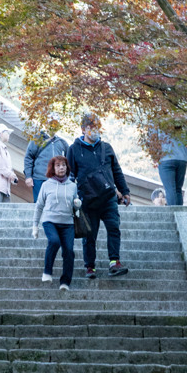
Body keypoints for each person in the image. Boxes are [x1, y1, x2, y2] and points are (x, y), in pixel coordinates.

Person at [68, 113, 131, 279]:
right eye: (90, 127)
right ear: (83, 129)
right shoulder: (74, 149)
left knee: (113, 228)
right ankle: (90, 266)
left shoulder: (106, 148)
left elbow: (117, 171)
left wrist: (124, 191)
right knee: (89, 234)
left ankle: (114, 262)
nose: (94, 130)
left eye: (96, 127)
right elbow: (69, 174)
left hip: (109, 197)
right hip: (87, 199)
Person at [31, 155, 82, 289]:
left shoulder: (72, 186)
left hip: (68, 223)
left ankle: (65, 282)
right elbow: (39, 206)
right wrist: (35, 226)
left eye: (63, 165)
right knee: (54, 241)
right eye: (58, 165)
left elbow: (75, 206)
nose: (61, 168)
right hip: (50, 221)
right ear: (53, 168)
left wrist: (77, 204)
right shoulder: (46, 185)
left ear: (67, 167)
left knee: (69, 251)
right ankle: (47, 272)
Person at [24, 123, 70, 201]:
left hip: (57, 180)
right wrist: (28, 176)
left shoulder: (62, 142)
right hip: (39, 179)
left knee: (55, 205)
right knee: (40, 205)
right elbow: (29, 157)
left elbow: (69, 162)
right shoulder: (37, 139)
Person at [153, 129, 187, 206]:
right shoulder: (185, 118)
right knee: (178, 189)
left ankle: (172, 215)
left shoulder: (157, 118)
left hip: (165, 158)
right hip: (182, 158)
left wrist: (155, 156)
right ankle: (179, 215)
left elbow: (152, 138)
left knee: (170, 190)